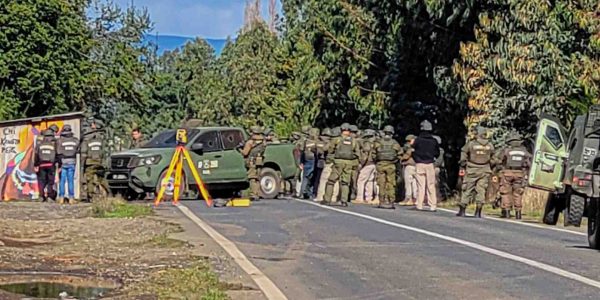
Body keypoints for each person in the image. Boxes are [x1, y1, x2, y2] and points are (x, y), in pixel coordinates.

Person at [457, 126, 495, 218]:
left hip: (471, 169)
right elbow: (494, 158)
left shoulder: (471, 144)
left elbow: (464, 153)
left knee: (467, 189)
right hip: (485, 170)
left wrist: (463, 163)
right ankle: (478, 211)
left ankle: (462, 210)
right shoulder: (490, 145)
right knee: (481, 190)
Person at [323, 123, 360, 206]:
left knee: (331, 181)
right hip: (349, 163)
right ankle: (344, 201)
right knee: (345, 182)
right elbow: (357, 153)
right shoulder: (354, 141)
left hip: (338, 162)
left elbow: (330, 150)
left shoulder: (337, 139)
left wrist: (332, 158)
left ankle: (327, 199)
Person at [498, 132, 531, 219]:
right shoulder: (524, 152)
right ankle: (518, 213)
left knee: (506, 192)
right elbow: (529, 163)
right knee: (518, 193)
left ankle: (507, 212)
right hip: (520, 174)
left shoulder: (507, 150)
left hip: (508, 173)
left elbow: (499, 160)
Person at [412, 120, 440, 212]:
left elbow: (413, 150)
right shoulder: (434, 141)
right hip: (430, 164)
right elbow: (437, 153)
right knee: (431, 185)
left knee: (421, 185)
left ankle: (419, 204)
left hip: (420, 163)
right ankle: (433, 205)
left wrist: (417, 159)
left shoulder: (417, 140)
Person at [373, 126, 403, 209]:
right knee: (391, 183)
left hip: (380, 164)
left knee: (381, 183)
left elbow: (373, 154)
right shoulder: (394, 143)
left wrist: (377, 161)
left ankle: (381, 201)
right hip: (391, 165)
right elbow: (400, 154)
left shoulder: (378, 142)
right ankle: (391, 201)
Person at [80, 119, 108, 202]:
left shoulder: (87, 138)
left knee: (90, 180)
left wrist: (82, 164)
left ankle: (91, 196)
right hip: (100, 162)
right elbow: (104, 151)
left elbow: (84, 151)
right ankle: (109, 193)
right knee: (102, 179)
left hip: (90, 162)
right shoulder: (102, 138)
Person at [240, 126, 266, 201]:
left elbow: (245, 153)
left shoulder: (251, 142)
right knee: (257, 177)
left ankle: (254, 194)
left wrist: (240, 149)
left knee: (252, 178)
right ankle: (258, 193)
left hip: (252, 161)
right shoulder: (263, 142)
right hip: (259, 161)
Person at [315, 127, 340, 202]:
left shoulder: (332, 141)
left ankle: (320, 196)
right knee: (336, 180)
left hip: (330, 162)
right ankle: (334, 197)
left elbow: (325, 149)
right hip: (339, 162)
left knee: (324, 179)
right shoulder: (342, 140)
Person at [57, 125, 79, 204]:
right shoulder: (75, 140)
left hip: (63, 162)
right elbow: (77, 150)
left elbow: (58, 153)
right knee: (70, 181)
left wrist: (59, 164)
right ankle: (71, 198)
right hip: (72, 162)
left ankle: (61, 198)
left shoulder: (60, 141)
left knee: (62, 181)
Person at [35, 129, 58, 202]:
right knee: (50, 181)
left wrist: (36, 164)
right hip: (51, 165)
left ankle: (41, 196)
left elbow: (36, 155)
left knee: (41, 181)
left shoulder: (40, 144)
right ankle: (49, 197)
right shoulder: (54, 144)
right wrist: (58, 164)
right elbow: (57, 155)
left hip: (42, 165)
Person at [355, 129, 378, 204]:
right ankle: (369, 198)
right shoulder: (376, 142)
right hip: (374, 164)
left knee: (361, 181)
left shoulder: (367, 143)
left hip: (367, 163)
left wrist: (361, 164)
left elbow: (365, 155)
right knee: (370, 181)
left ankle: (360, 198)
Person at [300, 128, 319, 199]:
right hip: (313, 159)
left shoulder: (306, 141)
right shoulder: (316, 142)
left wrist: (301, 162)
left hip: (306, 159)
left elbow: (302, 151)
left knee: (305, 177)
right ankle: (309, 193)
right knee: (312, 177)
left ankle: (303, 193)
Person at [313, 128, 330, 199]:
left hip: (320, 160)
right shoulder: (330, 141)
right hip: (327, 160)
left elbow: (316, 150)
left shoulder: (319, 141)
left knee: (318, 177)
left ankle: (316, 192)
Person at [401, 134, 417, 205]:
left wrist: (402, 159)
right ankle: (415, 198)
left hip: (409, 165)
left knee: (408, 183)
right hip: (417, 165)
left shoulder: (409, 148)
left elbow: (406, 155)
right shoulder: (419, 146)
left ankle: (408, 198)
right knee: (415, 183)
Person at [349, 125, 361, 202]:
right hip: (354, 162)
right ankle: (352, 194)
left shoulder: (345, 140)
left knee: (350, 180)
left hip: (350, 162)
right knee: (354, 179)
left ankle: (351, 194)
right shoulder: (358, 141)